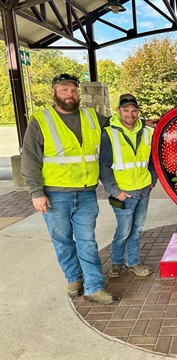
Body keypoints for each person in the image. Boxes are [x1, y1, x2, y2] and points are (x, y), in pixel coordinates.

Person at [21, 73, 119, 304]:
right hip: (54, 195)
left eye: (74, 90)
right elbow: (30, 158)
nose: (70, 94)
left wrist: (148, 123)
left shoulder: (91, 116)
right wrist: (36, 193)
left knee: (87, 240)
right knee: (63, 240)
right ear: (54, 92)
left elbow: (119, 124)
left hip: (86, 193)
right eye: (64, 90)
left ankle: (94, 286)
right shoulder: (41, 120)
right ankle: (74, 278)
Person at [99, 94, 157, 278]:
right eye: (126, 110)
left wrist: (152, 181)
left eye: (133, 110)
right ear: (118, 111)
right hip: (124, 192)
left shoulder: (147, 132)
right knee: (123, 230)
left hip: (143, 190)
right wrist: (116, 192)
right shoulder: (109, 133)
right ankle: (116, 262)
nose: (130, 114)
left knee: (137, 229)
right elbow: (104, 166)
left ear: (138, 112)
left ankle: (133, 262)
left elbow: (152, 160)